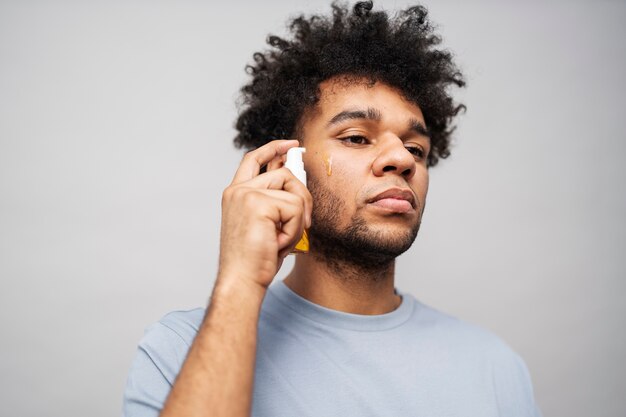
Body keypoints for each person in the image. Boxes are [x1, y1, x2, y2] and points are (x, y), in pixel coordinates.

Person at [123, 2, 542, 416]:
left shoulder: (494, 367)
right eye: (357, 137)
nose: (403, 159)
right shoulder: (179, 350)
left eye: (416, 148)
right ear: (285, 168)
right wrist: (241, 281)